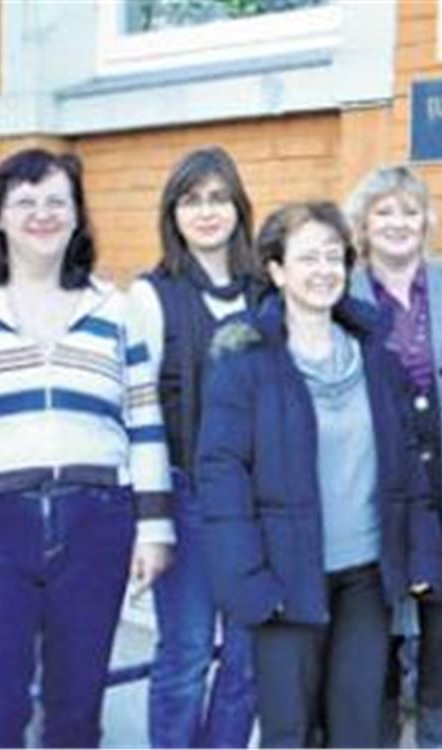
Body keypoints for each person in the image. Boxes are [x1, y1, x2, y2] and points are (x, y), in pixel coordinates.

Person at [0, 148, 174, 747]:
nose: (42, 214)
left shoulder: (114, 309)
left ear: (77, 216)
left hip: (95, 524)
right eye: (24, 201)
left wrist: (155, 529)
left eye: (57, 200)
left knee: (76, 718)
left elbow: (145, 423)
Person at [195, 201, 442, 748]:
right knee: (288, 733)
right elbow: (221, 476)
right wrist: (250, 583)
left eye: (335, 257)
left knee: (358, 731)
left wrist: (421, 555)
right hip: (283, 582)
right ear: (278, 270)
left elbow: (409, 465)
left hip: (365, 579)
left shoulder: (378, 359)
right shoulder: (246, 362)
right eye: (308, 257)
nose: (324, 269)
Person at [345, 165, 442, 748]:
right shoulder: (342, 289)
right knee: (373, 652)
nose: (398, 223)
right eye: (384, 212)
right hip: (376, 492)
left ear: (427, 221)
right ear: (363, 224)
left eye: (410, 211)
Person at [127, 146, 260, 748]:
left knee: (248, 658)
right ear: (173, 213)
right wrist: (150, 519)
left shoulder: (267, 290)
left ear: (238, 207)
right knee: (184, 656)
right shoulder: (152, 295)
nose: (206, 211)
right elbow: (138, 413)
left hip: (261, 507)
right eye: (191, 199)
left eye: (218, 197)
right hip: (188, 501)